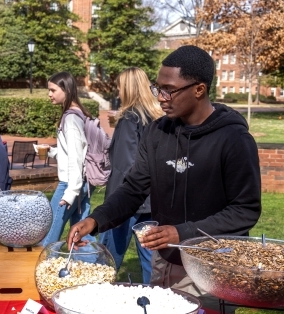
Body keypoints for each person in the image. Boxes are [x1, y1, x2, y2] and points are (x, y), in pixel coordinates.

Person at [67, 45, 261, 295]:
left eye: (169, 90)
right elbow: (134, 189)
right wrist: (96, 220)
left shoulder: (233, 139)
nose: (160, 97)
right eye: (158, 88)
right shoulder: (157, 132)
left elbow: (245, 210)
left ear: (199, 89)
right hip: (165, 260)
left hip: (213, 268)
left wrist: (183, 233)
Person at [98, 67, 164, 284]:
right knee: (150, 260)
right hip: (152, 198)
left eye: (119, 85)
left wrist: (114, 205)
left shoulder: (130, 118)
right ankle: (154, 305)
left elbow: (126, 166)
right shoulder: (157, 118)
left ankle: (94, 300)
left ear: (127, 88)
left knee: (106, 259)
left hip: (127, 200)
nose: (117, 90)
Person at [40, 71, 94, 247]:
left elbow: (76, 158)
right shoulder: (80, 113)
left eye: (53, 90)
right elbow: (75, 152)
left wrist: (71, 192)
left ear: (66, 89)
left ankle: (41, 270)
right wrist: (53, 152)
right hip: (82, 183)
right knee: (82, 236)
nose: (49, 94)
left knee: (48, 237)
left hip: (71, 184)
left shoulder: (71, 119)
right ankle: (92, 268)